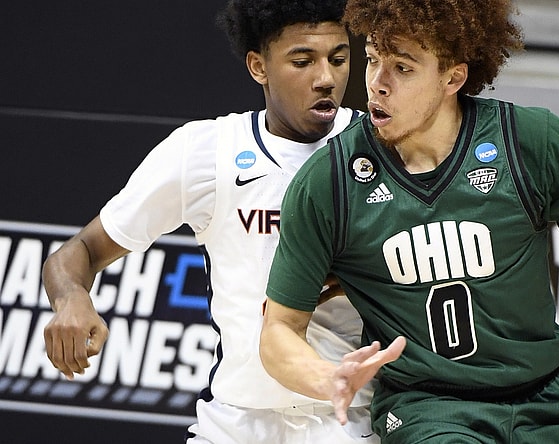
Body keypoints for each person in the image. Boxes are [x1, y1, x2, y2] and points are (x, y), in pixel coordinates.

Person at [258, 0, 559, 443]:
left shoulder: (532, 142)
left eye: (402, 67)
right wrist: (326, 377)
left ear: (452, 77)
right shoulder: (330, 181)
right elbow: (278, 329)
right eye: (373, 60)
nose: (377, 83)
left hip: (545, 403)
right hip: (428, 410)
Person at [41, 0, 379, 442]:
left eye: (338, 59)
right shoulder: (207, 151)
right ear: (258, 66)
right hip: (235, 423)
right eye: (303, 61)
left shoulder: (381, 147)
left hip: (348, 421)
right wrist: (71, 299)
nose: (326, 78)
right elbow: (80, 251)